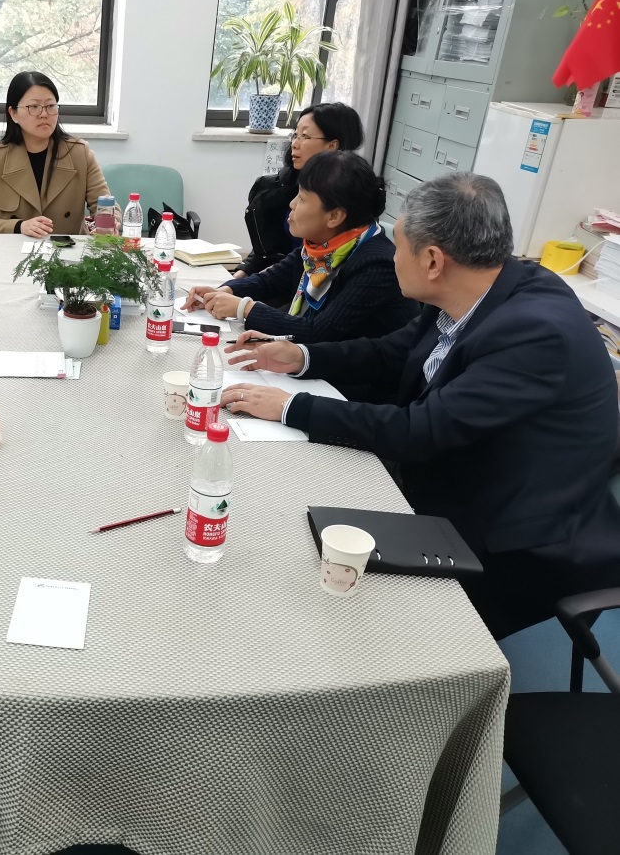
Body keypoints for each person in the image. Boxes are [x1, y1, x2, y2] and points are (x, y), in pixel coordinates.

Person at [221, 172, 620, 639]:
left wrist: (292, 408)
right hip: (454, 480)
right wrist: (302, 356)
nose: (391, 256)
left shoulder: (534, 332)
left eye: (398, 245)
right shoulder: (474, 287)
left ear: (432, 260)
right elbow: (394, 351)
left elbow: (422, 431)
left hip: (515, 543)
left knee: (324, 602)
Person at [187, 153, 420, 384]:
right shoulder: (322, 245)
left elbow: (318, 333)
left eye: (302, 198)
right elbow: (270, 280)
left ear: (334, 216)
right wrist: (226, 290)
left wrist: (245, 308)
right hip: (319, 368)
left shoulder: (376, 265)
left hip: (360, 386)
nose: (292, 204)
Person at [228, 102, 364, 282]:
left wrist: (247, 287)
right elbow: (267, 249)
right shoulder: (284, 183)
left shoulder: (347, 199)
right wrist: (239, 276)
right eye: (295, 135)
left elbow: (305, 266)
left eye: (305, 136)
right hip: (275, 278)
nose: (294, 144)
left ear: (332, 145)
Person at [0, 71, 117, 238]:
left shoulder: (79, 153)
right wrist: (20, 226)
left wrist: (110, 223)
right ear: (13, 113)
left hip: (69, 250)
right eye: (34, 107)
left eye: (50, 106)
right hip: (15, 249)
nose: (44, 114)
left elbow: (104, 203)